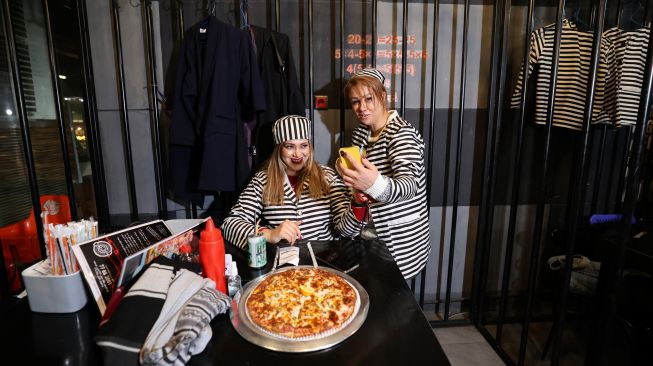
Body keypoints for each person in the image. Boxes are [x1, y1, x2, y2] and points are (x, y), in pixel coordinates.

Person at [337, 68, 431, 279]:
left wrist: (374, 184)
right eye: (355, 102)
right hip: (367, 238)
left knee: (396, 308)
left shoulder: (401, 134)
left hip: (400, 244)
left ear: (382, 95)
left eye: (368, 99)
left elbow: (410, 185)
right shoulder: (362, 131)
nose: (362, 108)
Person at [222, 115, 360, 249]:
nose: (298, 154)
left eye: (303, 145)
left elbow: (347, 230)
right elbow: (229, 225)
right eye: (290, 146)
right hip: (283, 266)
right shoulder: (262, 180)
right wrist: (269, 234)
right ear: (279, 149)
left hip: (324, 264)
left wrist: (358, 203)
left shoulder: (327, 176)